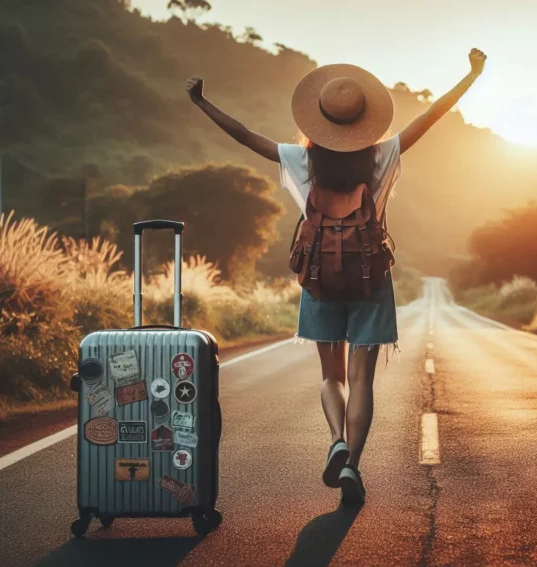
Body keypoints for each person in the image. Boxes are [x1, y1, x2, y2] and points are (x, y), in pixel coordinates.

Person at [186, 48, 486, 505]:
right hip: (369, 279)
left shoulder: (300, 161)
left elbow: (246, 136)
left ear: (318, 119)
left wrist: (202, 104)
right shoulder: (382, 155)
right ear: (366, 120)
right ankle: (352, 467)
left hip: (318, 280)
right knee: (362, 378)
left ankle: (335, 439)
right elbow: (431, 117)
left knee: (332, 377)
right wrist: (472, 76)